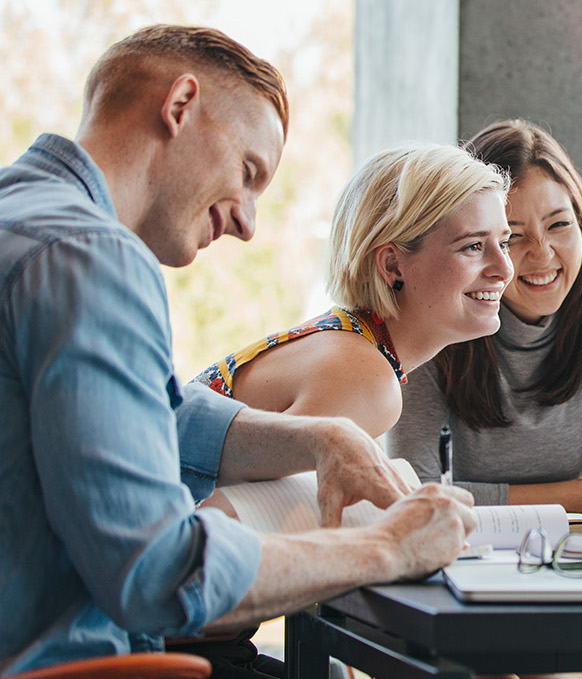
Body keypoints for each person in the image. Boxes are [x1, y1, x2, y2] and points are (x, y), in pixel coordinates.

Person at [0, 25, 478, 676]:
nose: (248, 223)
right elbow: (159, 571)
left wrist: (321, 438)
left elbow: (155, 418)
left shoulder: (24, 218)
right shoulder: (91, 256)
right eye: (249, 173)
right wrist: (388, 546)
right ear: (180, 107)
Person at [387, 119, 582, 513]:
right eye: (512, 236)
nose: (542, 254)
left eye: (559, 224)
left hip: (580, 552)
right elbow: (416, 495)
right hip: (460, 552)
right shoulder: (433, 321)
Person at [193, 142, 514, 441]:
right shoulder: (366, 381)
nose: (505, 269)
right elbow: (231, 502)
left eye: (504, 243)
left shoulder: (351, 343)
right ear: (392, 265)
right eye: (473, 246)